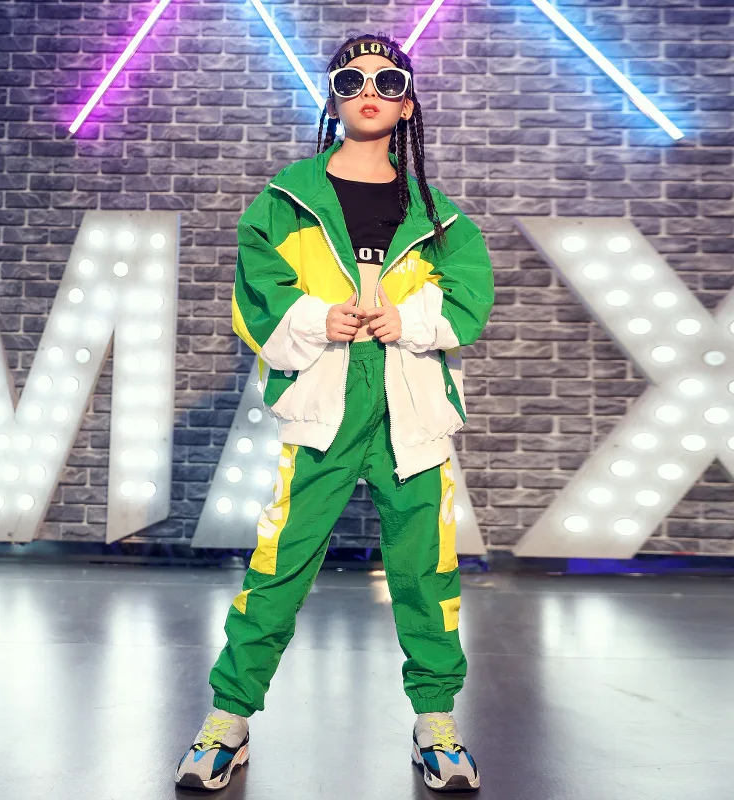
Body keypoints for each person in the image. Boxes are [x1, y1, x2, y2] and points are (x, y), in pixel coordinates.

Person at [175, 32, 494, 794]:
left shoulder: (439, 216)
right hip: (326, 400)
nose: (369, 92)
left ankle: (436, 721)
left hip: (411, 406)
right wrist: (320, 319)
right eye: (352, 81)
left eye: (388, 81)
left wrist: (409, 320)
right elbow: (258, 292)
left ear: (408, 105)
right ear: (333, 99)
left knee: (425, 568)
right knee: (280, 561)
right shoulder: (284, 201)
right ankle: (228, 719)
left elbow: (469, 296)